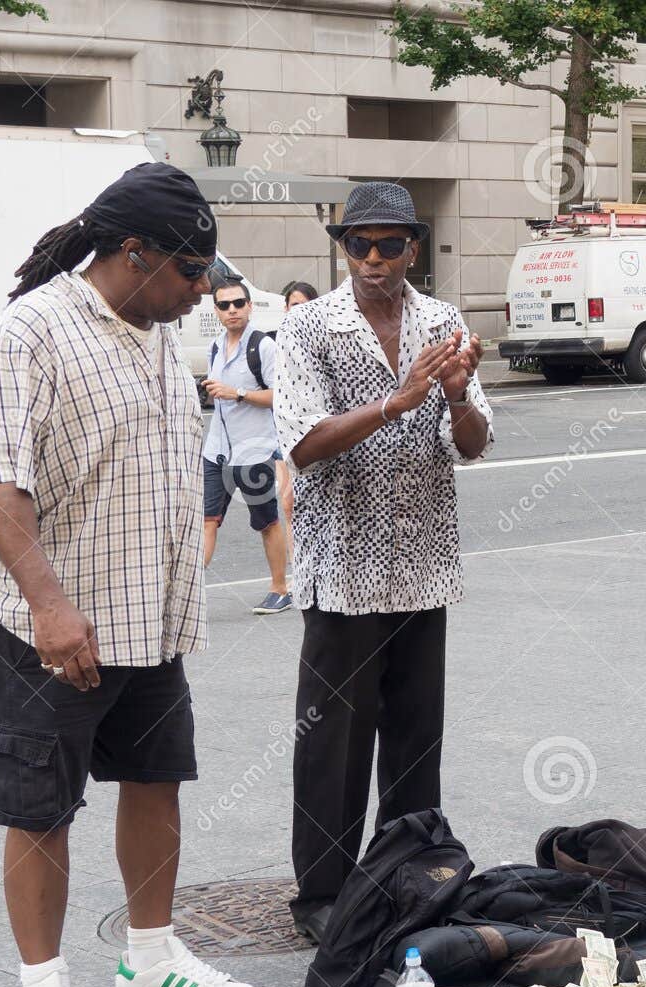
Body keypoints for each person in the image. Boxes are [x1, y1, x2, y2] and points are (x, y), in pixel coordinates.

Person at [0, 163, 258, 987]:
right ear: (133, 253)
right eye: (192, 272)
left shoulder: (155, 332)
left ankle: (150, 960)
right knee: (40, 808)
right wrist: (48, 603)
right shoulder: (30, 331)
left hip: (141, 616)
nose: (204, 292)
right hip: (37, 618)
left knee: (155, 780)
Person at [274, 182, 493, 942]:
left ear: (414, 247)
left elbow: (472, 442)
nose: (372, 258)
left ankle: (408, 878)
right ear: (342, 249)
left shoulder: (443, 321)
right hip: (343, 568)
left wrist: (458, 397)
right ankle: (323, 896)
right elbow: (302, 445)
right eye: (357, 244)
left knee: (414, 737)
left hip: (423, 564)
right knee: (334, 741)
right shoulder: (306, 329)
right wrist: (396, 403)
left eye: (388, 244)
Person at [200, 279, 291, 614]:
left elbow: (280, 397)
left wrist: (237, 393)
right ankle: (191, 594)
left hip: (254, 451)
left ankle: (280, 589)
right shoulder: (214, 347)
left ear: (250, 306)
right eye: (224, 305)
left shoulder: (263, 347)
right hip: (217, 451)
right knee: (208, 521)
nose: (232, 310)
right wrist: (214, 389)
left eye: (238, 303)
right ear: (216, 311)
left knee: (267, 522)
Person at [275, 281, 319, 530]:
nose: (298, 311)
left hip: (314, 435)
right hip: (283, 435)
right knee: (288, 503)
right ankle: (296, 563)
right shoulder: (279, 340)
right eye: (293, 305)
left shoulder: (323, 342)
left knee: (306, 505)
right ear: (285, 308)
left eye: (304, 305)